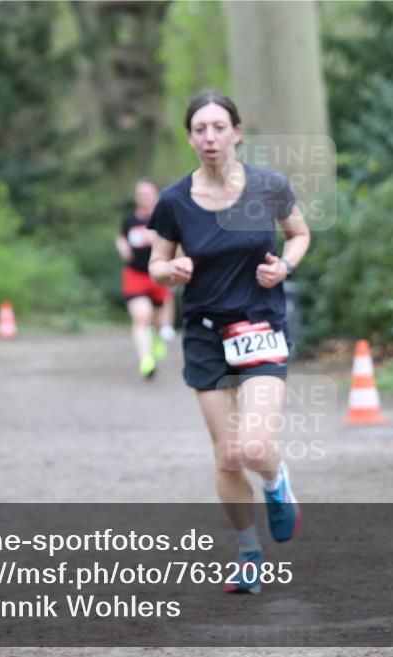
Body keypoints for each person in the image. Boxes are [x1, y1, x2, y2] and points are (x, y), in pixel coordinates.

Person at [148, 91, 311, 593]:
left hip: (258, 326)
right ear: (190, 137)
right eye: (200, 129)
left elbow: (300, 234)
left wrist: (284, 265)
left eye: (219, 127)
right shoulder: (175, 200)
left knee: (255, 446)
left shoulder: (268, 186)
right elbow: (155, 263)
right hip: (204, 335)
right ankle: (249, 554)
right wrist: (170, 271)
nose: (210, 137)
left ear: (237, 132)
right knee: (226, 456)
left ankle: (276, 482)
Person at [116, 179, 175, 379]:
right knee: (142, 316)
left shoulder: (164, 218)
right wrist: (122, 246)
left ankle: (157, 338)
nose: (145, 198)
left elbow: (178, 240)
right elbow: (121, 236)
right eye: (141, 195)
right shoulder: (130, 220)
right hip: (136, 274)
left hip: (158, 275)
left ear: (156, 196)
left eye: (148, 194)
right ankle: (146, 360)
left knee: (157, 320)